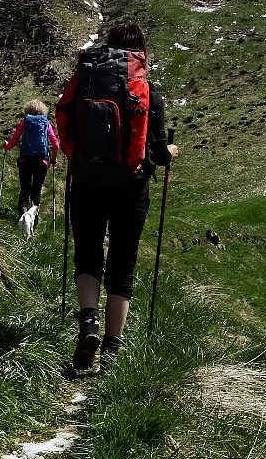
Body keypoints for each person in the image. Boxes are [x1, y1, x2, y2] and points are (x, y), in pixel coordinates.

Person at [56, 22, 179, 371]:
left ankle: (88, 324)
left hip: (85, 182)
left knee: (88, 257)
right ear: (140, 52)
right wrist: (170, 150)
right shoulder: (147, 92)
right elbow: (154, 153)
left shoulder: (85, 83)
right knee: (121, 267)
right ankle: (111, 352)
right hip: (130, 186)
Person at [4, 100, 61, 213]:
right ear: (43, 110)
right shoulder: (46, 124)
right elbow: (56, 145)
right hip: (42, 162)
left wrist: (6, 146)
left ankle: (23, 210)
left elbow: (12, 143)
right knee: (36, 191)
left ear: (27, 110)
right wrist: (53, 159)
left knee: (25, 189)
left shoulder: (24, 123)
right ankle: (34, 217)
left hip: (25, 161)